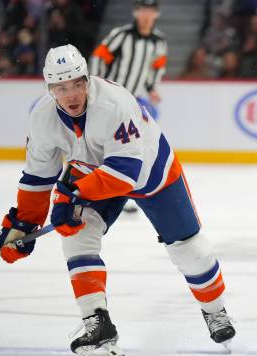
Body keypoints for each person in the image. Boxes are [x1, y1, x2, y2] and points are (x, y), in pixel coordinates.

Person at [0, 44, 235, 356]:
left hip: (151, 171)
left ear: (87, 79)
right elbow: (38, 177)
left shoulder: (115, 103)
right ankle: (98, 325)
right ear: (50, 89)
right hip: (90, 169)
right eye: (62, 87)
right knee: (77, 234)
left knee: (190, 250)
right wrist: (23, 223)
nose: (72, 94)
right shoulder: (42, 118)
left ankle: (215, 310)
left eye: (77, 83)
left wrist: (71, 194)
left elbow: (124, 174)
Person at [90, 0, 167, 213]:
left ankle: (124, 188)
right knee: (104, 142)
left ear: (156, 14)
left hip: (135, 100)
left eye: (150, 11)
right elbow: (99, 56)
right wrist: (98, 85)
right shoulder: (121, 35)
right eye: (142, 10)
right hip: (111, 98)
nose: (146, 14)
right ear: (135, 12)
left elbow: (156, 68)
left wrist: (152, 88)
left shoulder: (158, 41)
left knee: (135, 145)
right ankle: (95, 186)